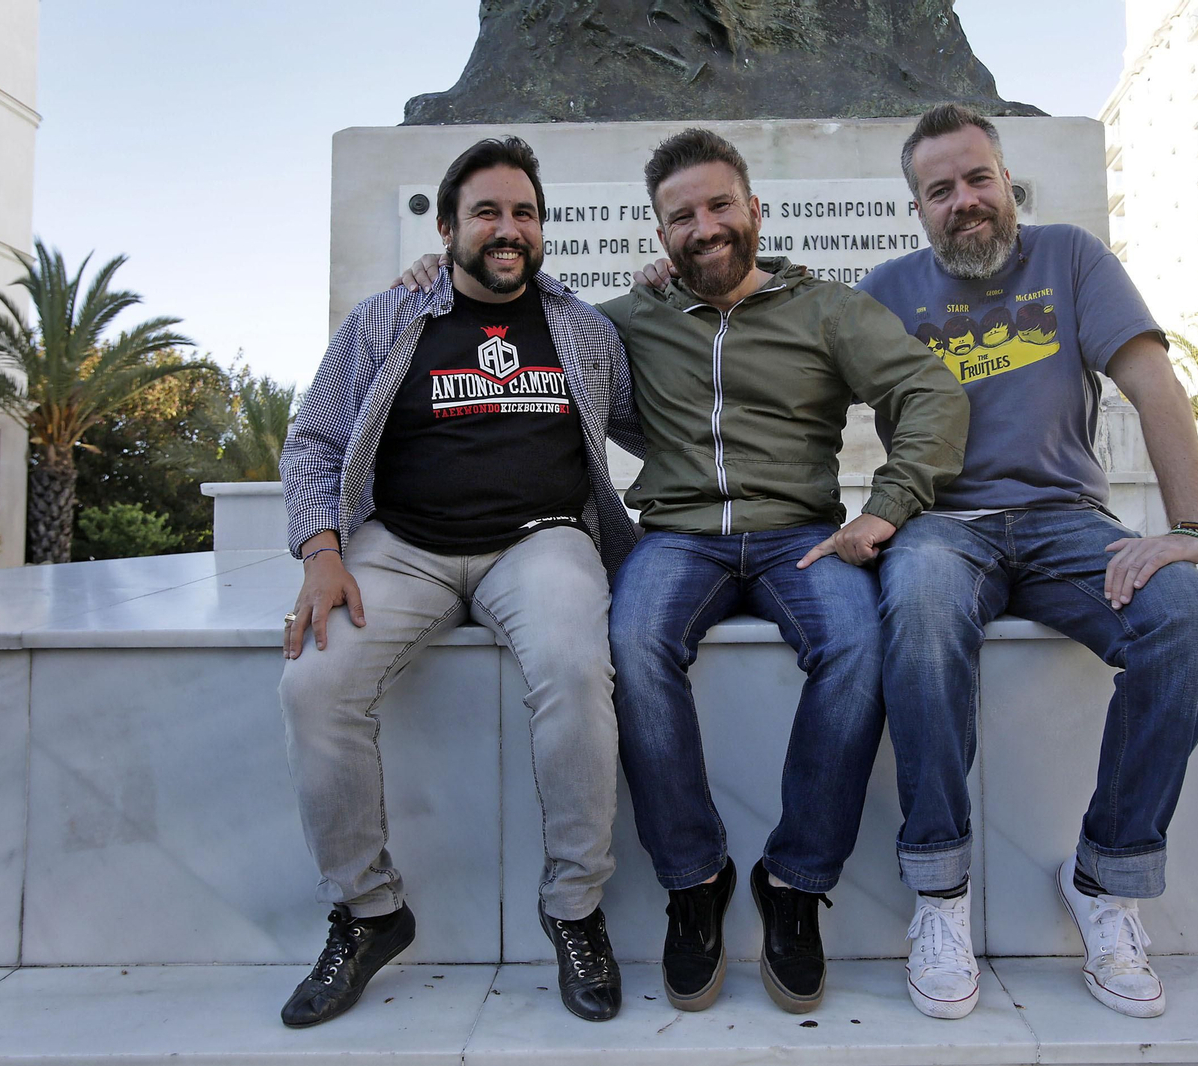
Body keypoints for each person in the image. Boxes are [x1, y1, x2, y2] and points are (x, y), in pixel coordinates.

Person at [400, 127, 968, 1016]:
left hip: (800, 535)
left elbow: (929, 393)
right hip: (679, 536)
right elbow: (511, 307)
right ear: (659, 235)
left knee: (858, 644)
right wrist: (425, 280)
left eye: (718, 206)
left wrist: (886, 507)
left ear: (754, 211)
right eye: (682, 216)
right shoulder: (626, 320)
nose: (704, 227)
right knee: (630, 638)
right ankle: (693, 878)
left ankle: (794, 880)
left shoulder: (826, 309)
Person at [861, 104, 1198, 1021]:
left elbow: (1153, 385)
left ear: (1006, 180)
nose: (964, 201)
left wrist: (1191, 527)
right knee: (920, 608)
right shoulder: (883, 292)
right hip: (944, 524)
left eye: (977, 179)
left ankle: (1105, 879)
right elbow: (777, 363)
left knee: (1190, 617)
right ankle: (941, 892)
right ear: (917, 207)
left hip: (1066, 521)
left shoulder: (1072, 259)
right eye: (939, 189)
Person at [277, 136, 645, 1028]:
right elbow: (314, 441)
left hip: (543, 539)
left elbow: (653, 418)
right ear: (448, 227)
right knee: (316, 684)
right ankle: (369, 912)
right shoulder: (384, 319)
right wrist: (321, 550)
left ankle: (574, 908)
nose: (506, 228)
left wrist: (669, 298)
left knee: (572, 669)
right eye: (486, 211)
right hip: (402, 544)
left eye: (523, 212)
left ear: (543, 230)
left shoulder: (585, 331)